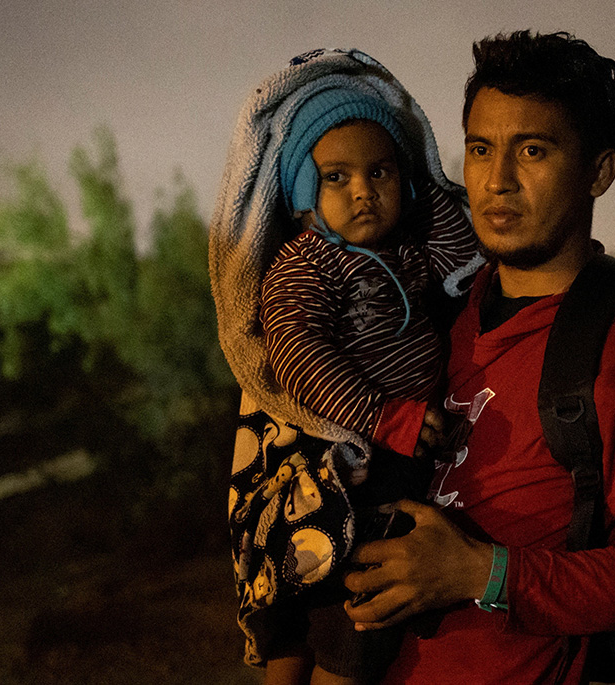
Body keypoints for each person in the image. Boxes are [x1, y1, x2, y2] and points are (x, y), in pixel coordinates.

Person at [342, 31, 615, 684]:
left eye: (534, 150)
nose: (498, 180)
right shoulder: (434, 318)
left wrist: (478, 572)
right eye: (481, 148)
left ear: (599, 170)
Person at [208, 49, 482, 685]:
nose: (364, 189)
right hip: (348, 462)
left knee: (341, 628)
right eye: (336, 177)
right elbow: (301, 358)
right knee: (352, 624)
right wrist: (385, 418)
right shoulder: (307, 265)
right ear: (304, 195)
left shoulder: (411, 248)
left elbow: (461, 253)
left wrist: (426, 191)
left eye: (381, 171)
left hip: (399, 447)